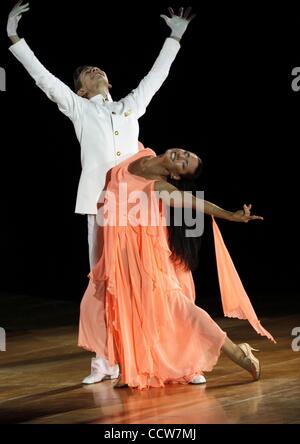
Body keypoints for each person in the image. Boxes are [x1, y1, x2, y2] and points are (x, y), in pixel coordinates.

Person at [7, 1, 195, 383]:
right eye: (87, 73)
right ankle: (105, 360)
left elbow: (156, 78)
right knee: (102, 279)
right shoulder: (78, 108)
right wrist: (14, 37)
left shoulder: (129, 107)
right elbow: (43, 78)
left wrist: (175, 36)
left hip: (138, 205)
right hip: (100, 205)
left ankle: (177, 359)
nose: (95, 71)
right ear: (81, 86)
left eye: (98, 69)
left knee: (156, 276)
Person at [78, 145, 274, 389]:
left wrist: (230, 215)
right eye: (185, 154)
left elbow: (193, 203)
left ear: (176, 176)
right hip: (120, 257)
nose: (181, 156)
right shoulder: (141, 150)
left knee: (179, 308)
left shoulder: (161, 187)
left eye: (183, 163)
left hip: (147, 260)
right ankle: (132, 367)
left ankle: (238, 352)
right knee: (128, 311)